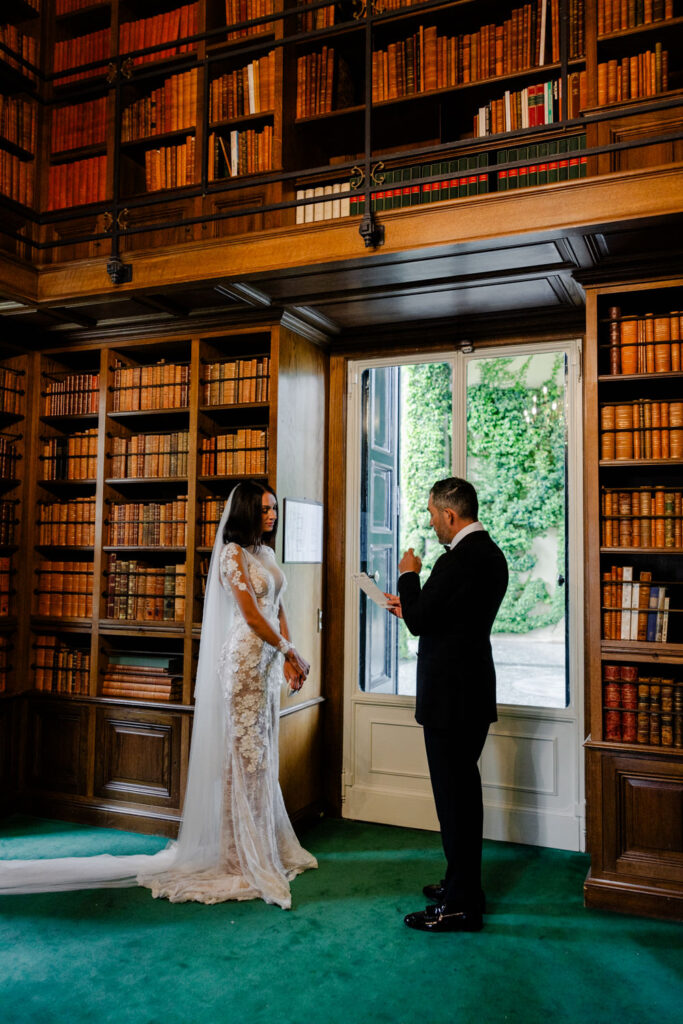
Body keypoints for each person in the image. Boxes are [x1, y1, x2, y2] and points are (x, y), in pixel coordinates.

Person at [0, 481, 317, 909]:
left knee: (260, 758)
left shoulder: (268, 555)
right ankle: (235, 855)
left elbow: (277, 608)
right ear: (245, 511)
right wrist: (289, 650)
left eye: (274, 509)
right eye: (264, 509)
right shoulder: (232, 556)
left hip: (266, 665)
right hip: (242, 662)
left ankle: (261, 845)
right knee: (240, 757)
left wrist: (289, 658)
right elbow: (249, 614)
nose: (272, 515)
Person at [385, 477, 508, 933]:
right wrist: (417, 605)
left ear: (450, 515)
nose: (432, 522)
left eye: (434, 514)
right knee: (462, 798)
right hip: (471, 693)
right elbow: (444, 616)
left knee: (455, 802)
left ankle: (460, 905)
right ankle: (463, 886)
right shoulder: (490, 555)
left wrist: (408, 574)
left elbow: (419, 621)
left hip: (450, 699)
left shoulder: (455, 561)